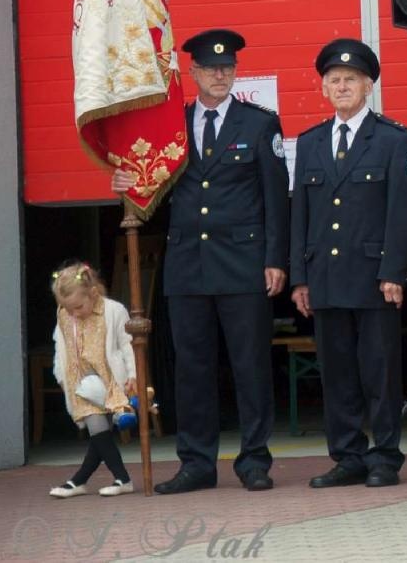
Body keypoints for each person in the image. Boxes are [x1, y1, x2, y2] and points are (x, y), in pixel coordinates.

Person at [111, 29, 288, 494]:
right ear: (192, 73)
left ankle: (254, 460)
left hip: (244, 263)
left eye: (226, 68)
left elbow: (276, 199)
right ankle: (196, 463)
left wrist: (275, 259)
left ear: (235, 72)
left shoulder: (259, 124)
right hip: (188, 264)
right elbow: (151, 193)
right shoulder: (173, 126)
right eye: (210, 68)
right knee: (192, 370)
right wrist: (128, 184)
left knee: (250, 366)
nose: (219, 75)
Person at [290, 38, 407, 489]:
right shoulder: (309, 143)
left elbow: (403, 212)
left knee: (379, 372)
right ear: (323, 88)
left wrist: (393, 272)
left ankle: (385, 457)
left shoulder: (393, 139)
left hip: (373, 278)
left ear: (369, 86)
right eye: (334, 80)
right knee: (338, 374)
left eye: (351, 79)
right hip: (325, 278)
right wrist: (300, 278)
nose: (342, 86)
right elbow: (300, 214)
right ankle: (347, 456)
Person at [48, 261, 138, 498]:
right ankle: (119, 479)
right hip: (81, 383)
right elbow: (60, 347)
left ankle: (82, 481)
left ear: (94, 293)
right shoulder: (64, 315)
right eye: (67, 308)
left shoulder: (113, 311)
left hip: (110, 380)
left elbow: (127, 345)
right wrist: (60, 375)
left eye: (78, 307)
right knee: (98, 428)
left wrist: (133, 375)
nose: (74, 314)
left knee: (100, 433)